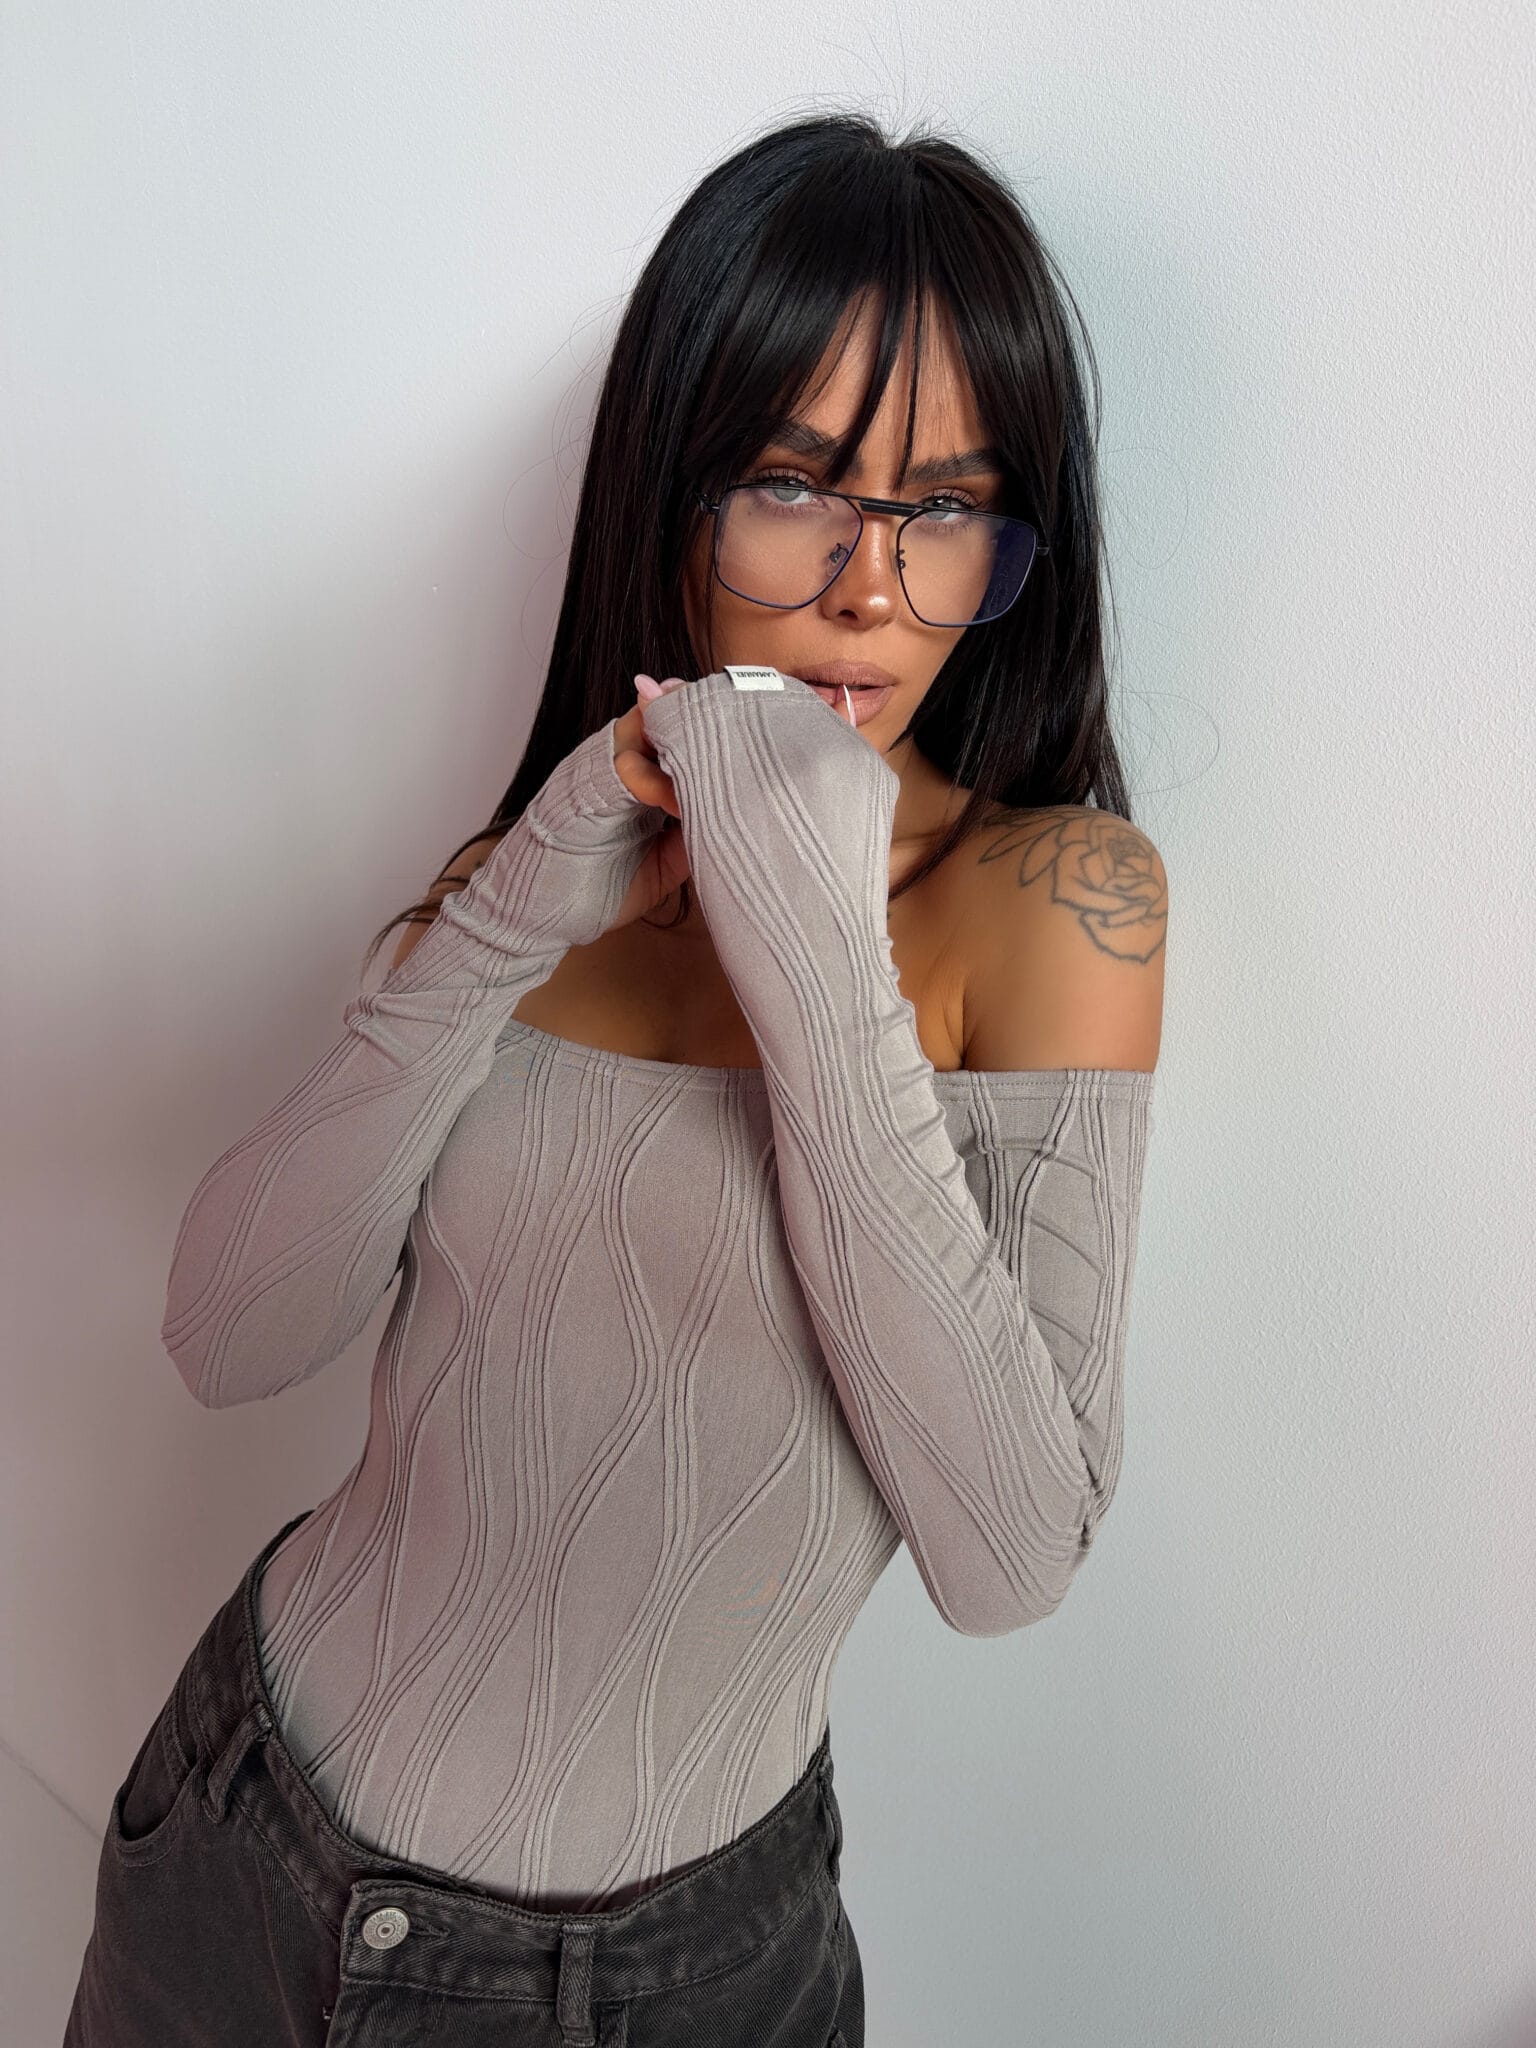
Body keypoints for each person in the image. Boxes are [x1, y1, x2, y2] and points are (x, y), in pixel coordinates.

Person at [66, 109, 1166, 2048]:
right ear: (673, 490)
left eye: (944, 507)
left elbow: (1009, 1557)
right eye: (794, 485)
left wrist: (813, 943)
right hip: (241, 1857)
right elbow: (228, 1333)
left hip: (672, 1984)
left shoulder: (1058, 907)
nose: (871, 586)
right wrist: (502, 914)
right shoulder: (530, 877)